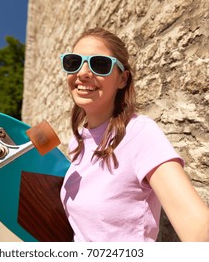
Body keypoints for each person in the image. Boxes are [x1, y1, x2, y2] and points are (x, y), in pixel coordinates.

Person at [59, 27, 209, 242]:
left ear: (122, 79)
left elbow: (198, 228)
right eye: (73, 62)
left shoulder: (140, 133)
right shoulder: (77, 142)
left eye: (99, 64)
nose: (83, 73)